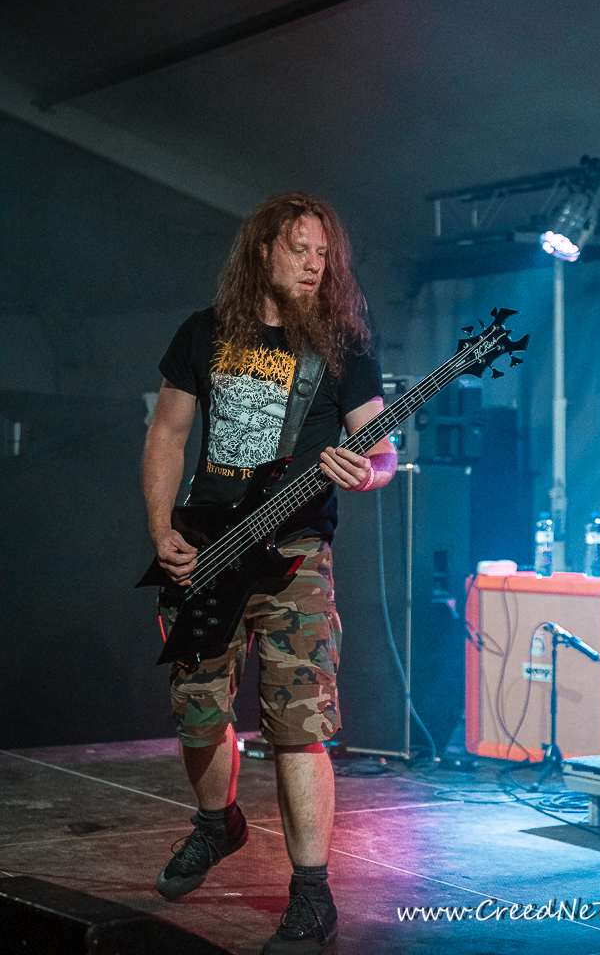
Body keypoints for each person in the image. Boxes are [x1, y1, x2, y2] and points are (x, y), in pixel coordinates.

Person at [142, 191, 397, 954]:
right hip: (204, 549)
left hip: (296, 557)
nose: (315, 264)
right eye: (299, 249)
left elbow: (382, 452)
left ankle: (312, 894)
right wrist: (161, 530)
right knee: (196, 713)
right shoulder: (203, 333)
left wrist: (365, 472)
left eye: (324, 253)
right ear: (262, 250)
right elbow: (167, 433)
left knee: (299, 727)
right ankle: (215, 822)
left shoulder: (342, 347)